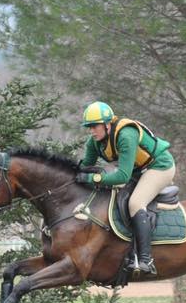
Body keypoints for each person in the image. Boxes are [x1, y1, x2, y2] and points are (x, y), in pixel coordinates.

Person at [75, 101, 175, 274]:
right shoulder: (95, 142)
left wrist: (93, 178)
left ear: (107, 124)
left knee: (135, 203)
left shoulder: (126, 134)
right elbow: (85, 166)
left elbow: (122, 176)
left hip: (159, 167)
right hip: (137, 171)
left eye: (94, 126)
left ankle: (146, 259)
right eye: (89, 127)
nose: (91, 130)